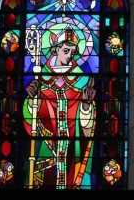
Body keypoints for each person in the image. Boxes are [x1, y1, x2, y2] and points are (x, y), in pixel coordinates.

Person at [23, 28, 97, 188]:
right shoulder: (41, 80)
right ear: (55, 49)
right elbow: (32, 118)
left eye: (73, 51)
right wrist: (31, 100)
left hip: (72, 146)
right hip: (48, 146)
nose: (70, 55)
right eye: (66, 50)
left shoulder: (82, 81)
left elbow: (87, 127)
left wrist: (85, 106)